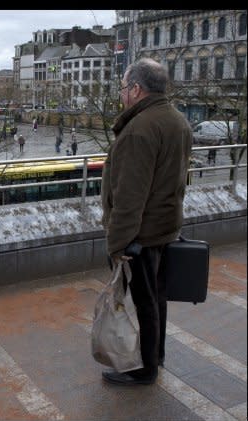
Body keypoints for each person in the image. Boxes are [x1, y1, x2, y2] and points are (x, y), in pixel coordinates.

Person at [100, 58, 192, 386]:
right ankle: (157, 354)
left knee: (145, 301)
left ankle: (146, 369)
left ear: (137, 89)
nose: (122, 94)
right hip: (167, 226)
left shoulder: (139, 130)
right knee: (157, 297)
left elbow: (129, 196)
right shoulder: (177, 120)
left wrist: (118, 244)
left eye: (124, 88)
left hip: (142, 235)